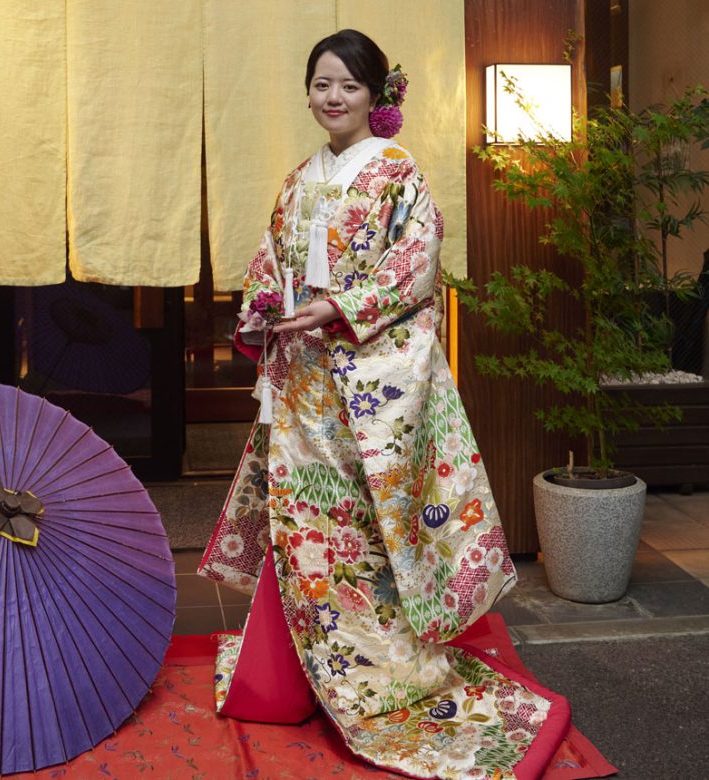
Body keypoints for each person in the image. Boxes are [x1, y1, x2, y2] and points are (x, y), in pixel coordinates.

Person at [199, 29, 569, 779]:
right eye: (321, 85)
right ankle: (304, 668)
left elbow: (416, 268)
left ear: (376, 96)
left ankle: (377, 673)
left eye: (348, 87)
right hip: (303, 380)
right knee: (302, 519)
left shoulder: (398, 173)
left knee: (366, 524)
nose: (332, 98)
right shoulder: (300, 179)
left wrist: (338, 306)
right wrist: (267, 306)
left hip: (367, 383)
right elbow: (270, 261)